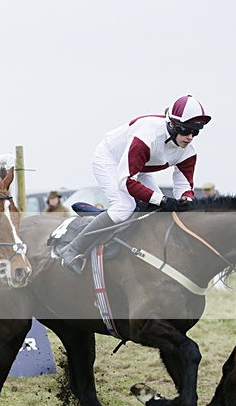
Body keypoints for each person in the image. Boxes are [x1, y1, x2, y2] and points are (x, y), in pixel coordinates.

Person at [59, 94, 211, 274]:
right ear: (172, 125)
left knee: (159, 210)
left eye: (196, 132)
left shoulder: (188, 152)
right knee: (125, 206)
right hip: (110, 160)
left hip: (139, 168)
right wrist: (162, 199)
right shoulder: (147, 137)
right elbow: (126, 181)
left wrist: (186, 201)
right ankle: (72, 249)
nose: (190, 137)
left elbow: (184, 187)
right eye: (186, 130)